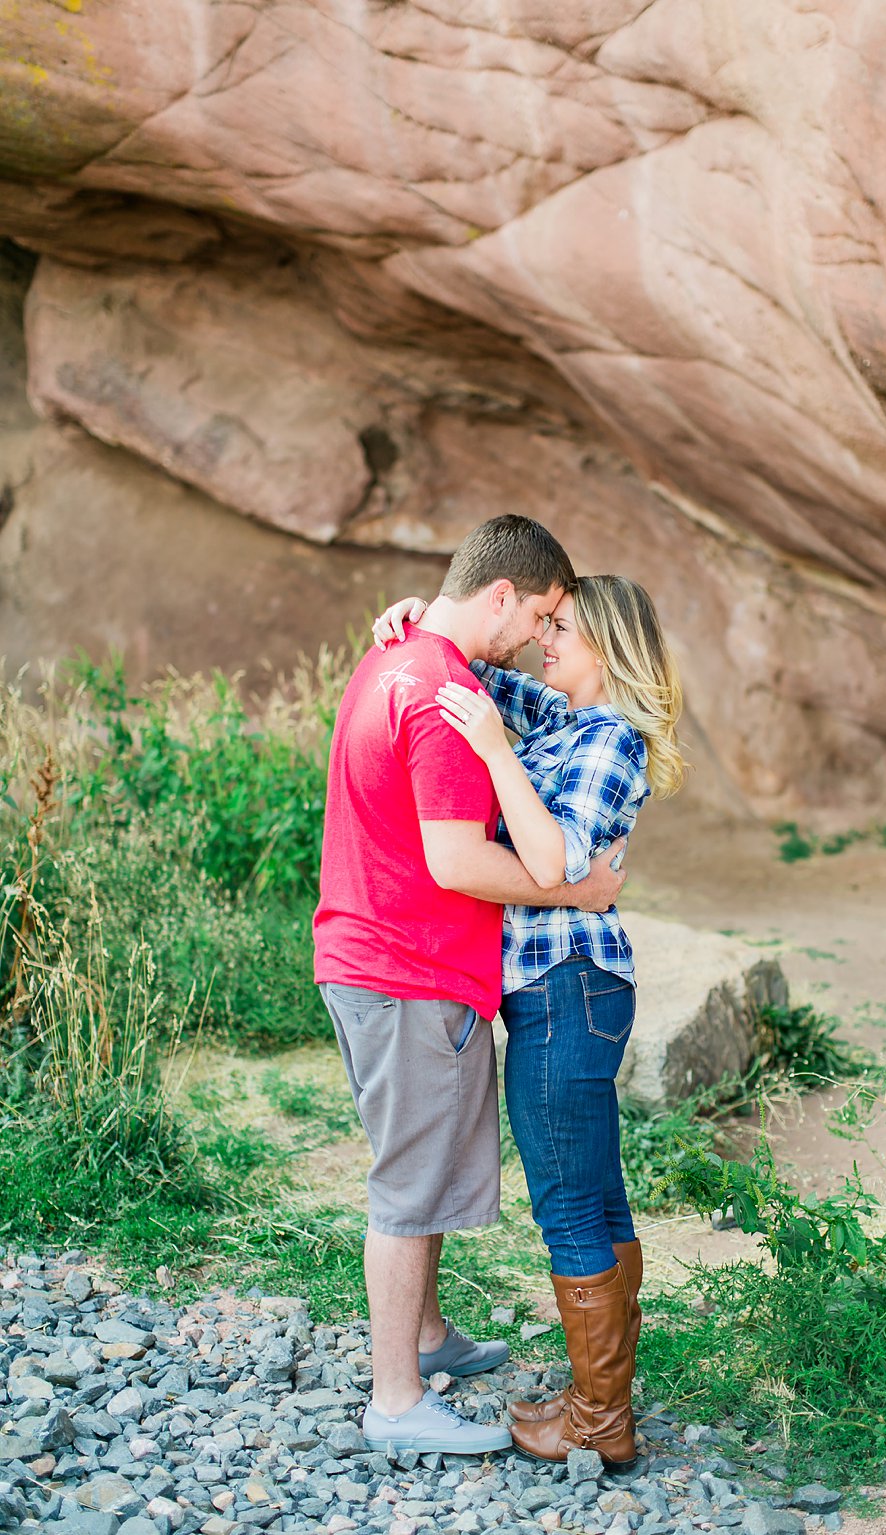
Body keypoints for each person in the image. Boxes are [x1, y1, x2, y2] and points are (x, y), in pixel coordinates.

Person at [315, 514, 626, 1456]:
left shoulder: (402, 658)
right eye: (538, 613)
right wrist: (582, 885)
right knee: (411, 1185)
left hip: (377, 957)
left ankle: (428, 1334)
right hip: (406, 970)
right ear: (501, 595)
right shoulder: (447, 692)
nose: (538, 634)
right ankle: (398, 1400)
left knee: (427, 1159)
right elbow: (455, 860)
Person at [373, 574, 687, 1469]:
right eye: (546, 622)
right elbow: (476, 673)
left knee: (568, 1203)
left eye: (564, 629)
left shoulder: (610, 739)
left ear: (610, 650)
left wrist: (497, 755)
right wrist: (420, 620)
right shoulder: (565, 716)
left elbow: (559, 861)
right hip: (562, 993)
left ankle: (599, 1423)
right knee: (598, 1192)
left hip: (566, 992)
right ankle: (603, 1397)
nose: (545, 639)